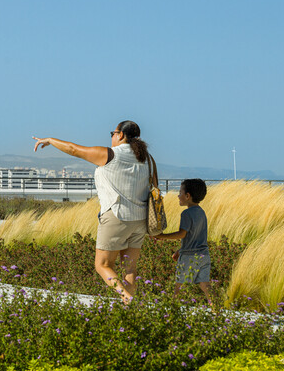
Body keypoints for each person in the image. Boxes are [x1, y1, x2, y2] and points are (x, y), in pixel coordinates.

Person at [33, 120, 151, 303]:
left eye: (112, 133)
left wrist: (50, 140)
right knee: (130, 268)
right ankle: (130, 306)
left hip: (116, 216)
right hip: (140, 219)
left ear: (120, 135)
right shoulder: (146, 158)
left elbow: (73, 149)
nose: (112, 137)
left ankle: (128, 299)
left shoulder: (110, 155)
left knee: (102, 265)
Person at [153, 179, 211, 303]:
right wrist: (180, 250)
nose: (178, 196)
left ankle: (174, 309)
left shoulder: (186, 213)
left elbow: (182, 234)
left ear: (187, 196)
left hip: (189, 257)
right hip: (204, 255)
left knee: (179, 287)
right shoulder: (202, 212)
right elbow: (195, 236)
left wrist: (161, 236)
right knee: (205, 285)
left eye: (180, 193)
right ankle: (216, 307)